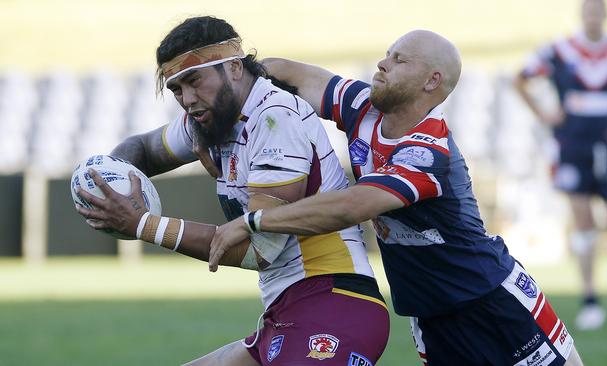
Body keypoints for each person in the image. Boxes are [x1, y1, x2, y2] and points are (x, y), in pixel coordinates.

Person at [205, 30, 584, 365]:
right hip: (429, 318)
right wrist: (224, 87)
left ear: (431, 81)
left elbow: (353, 206)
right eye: (387, 55)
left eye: (399, 60)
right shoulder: (363, 108)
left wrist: (254, 220)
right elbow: (290, 73)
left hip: (491, 302)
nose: (383, 64)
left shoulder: (428, 151)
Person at [75, 16, 389, 366]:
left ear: (235, 68)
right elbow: (144, 148)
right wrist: (107, 179)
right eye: (177, 89)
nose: (188, 99)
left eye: (194, 80)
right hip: (288, 311)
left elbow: (260, 250)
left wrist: (143, 225)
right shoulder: (212, 117)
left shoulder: (274, 119)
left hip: (334, 303)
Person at [514, 0, 607, 330]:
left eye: (597, 9)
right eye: (588, 9)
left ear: (605, 13)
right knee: (584, 223)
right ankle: (590, 299)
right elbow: (521, 78)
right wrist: (545, 114)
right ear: (582, 14)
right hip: (572, 148)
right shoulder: (561, 49)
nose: (593, 15)